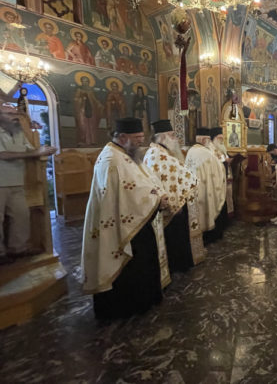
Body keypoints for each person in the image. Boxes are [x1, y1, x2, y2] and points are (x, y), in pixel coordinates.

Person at [81, 117, 170, 319]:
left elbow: (144, 180)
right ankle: (127, 307)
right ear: (122, 137)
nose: (141, 141)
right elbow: (126, 193)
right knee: (130, 266)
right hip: (119, 226)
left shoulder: (126, 154)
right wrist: (156, 199)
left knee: (143, 261)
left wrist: (159, 193)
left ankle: (144, 300)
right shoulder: (111, 159)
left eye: (142, 137)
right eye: (137, 137)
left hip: (135, 220)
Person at [0, 104, 57, 264]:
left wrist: (44, 150)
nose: (15, 117)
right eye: (10, 114)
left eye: (16, 114)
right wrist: (35, 153)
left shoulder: (18, 131)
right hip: (1, 181)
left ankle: (18, 249)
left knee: (21, 215)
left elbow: (30, 149)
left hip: (18, 180)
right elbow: (3, 155)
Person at [144, 120, 199, 271]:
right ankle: (177, 265)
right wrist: (175, 202)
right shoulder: (157, 154)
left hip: (175, 200)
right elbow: (164, 179)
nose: (175, 138)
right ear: (162, 137)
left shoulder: (161, 152)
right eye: (172, 135)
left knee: (177, 235)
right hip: (170, 205)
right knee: (174, 237)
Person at [185, 127, 227, 246]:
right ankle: (210, 235)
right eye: (208, 139)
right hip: (205, 189)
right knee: (207, 210)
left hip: (193, 190)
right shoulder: (205, 153)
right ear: (204, 140)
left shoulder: (191, 151)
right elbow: (219, 169)